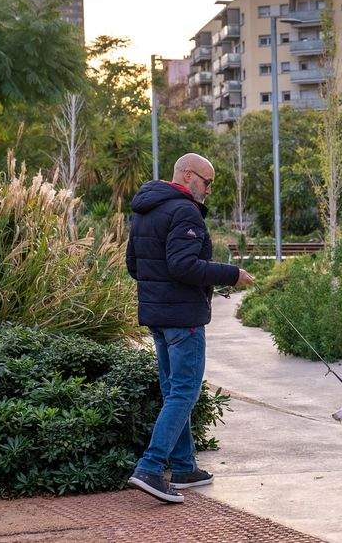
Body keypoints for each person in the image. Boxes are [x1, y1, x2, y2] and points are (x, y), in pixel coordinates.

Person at [125, 153, 254, 503]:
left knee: (173, 391)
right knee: (184, 392)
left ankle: (183, 467)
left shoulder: (144, 210)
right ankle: (150, 467)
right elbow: (183, 265)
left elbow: (133, 266)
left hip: (157, 317)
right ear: (186, 175)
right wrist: (232, 274)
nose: (209, 190)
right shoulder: (183, 210)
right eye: (207, 181)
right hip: (183, 320)